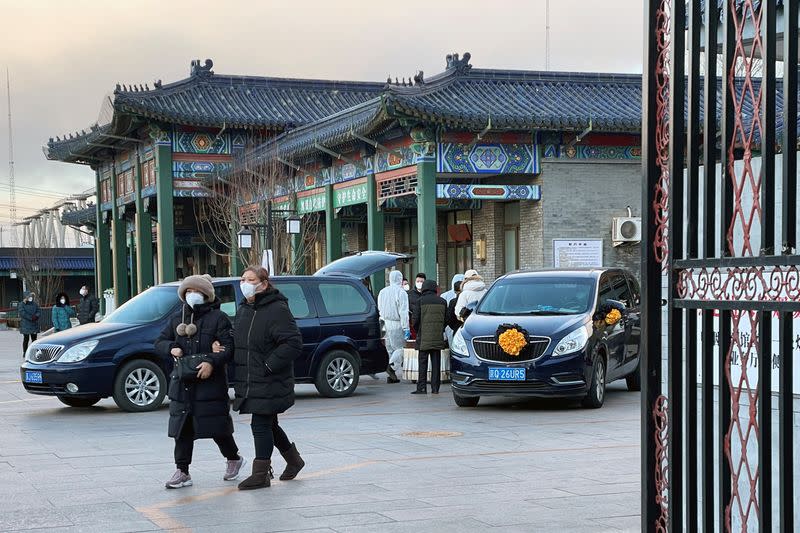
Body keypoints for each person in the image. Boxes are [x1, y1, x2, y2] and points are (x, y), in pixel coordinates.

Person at [155, 274, 245, 489]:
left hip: (209, 383)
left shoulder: (219, 318)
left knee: (216, 426)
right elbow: (159, 341)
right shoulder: (178, 319)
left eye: (196, 291)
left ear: (206, 295)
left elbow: (229, 348)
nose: (191, 295)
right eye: (187, 291)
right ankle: (182, 470)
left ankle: (233, 458)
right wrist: (170, 348)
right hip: (183, 382)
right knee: (182, 428)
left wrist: (211, 361)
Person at [233, 266, 305, 491]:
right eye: (243, 278)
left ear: (263, 283)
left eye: (250, 279)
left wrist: (268, 365)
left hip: (269, 378)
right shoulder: (245, 308)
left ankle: (261, 474)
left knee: (260, 423)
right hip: (251, 377)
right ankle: (294, 460)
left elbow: (293, 343)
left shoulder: (277, 309)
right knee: (269, 424)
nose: (245, 282)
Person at [411, 279, 447, 394]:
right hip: (437, 337)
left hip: (423, 338)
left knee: (422, 363)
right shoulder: (442, 301)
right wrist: (439, 330)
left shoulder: (419, 301)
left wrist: (418, 331)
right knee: (436, 363)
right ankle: (435, 388)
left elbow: (415, 320)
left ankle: (421, 388)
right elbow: (445, 320)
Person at [377, 270, 410, 384]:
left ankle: (392, 376)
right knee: (400, 349)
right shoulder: (401, 292)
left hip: (385, 323)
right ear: (400, 279)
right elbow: (403, 311)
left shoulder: (382, 292)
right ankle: (391, 367)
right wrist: (406, 328)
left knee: (390, 349)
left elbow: (380, 308)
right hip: (397, 323)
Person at [18, 292, 41, 357]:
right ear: (26, 297)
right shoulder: (21, 304)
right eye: (29, 296)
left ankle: (35, 352)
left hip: (34, 324)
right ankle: (25, 352)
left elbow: (38, 311)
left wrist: (36, 316)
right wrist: (31, 317)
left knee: (34, 339)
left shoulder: (35, 304)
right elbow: (22, 313)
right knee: (26, 339)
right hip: (26, 324)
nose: (31, 298)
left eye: (31, 296)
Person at [407, 273, 426, 337]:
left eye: (421, 281)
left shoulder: (427, 294)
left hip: (425, 322)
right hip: (413, 323)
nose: (419, 283)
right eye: (418, 281)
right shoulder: (409, 294)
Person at [445, 280, 463, 345]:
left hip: (456, 328)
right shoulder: (468, 301)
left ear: (455, 291)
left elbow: (449, 318)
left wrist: (454, 326)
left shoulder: (453, 302)